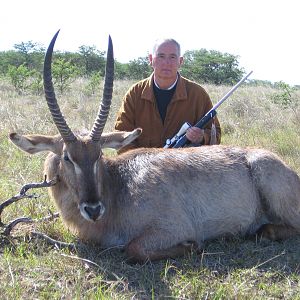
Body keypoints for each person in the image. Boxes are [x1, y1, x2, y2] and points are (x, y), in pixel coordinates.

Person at [114, 38, 221, 153]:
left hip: (184, 168)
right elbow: (121, 136)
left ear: (180, 61)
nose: (167, 63)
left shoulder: (198, 94)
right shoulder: (134, 93)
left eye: (172, 57)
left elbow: (216, 135)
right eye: (161, 56)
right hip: (142, 167)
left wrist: (202, 137)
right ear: (151, 59)